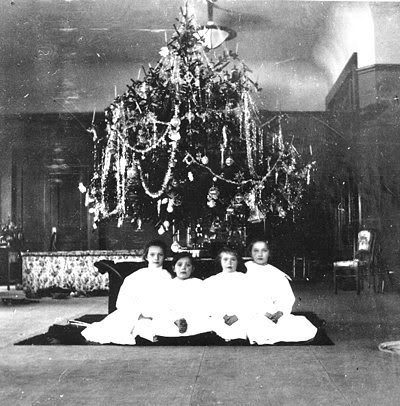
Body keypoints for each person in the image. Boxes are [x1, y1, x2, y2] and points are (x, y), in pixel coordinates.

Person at [81, 239, 171, 345]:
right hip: (136, 312)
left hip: (157, 313)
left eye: (160, 255)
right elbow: (124, 299)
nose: (156, 258)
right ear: (146, 257)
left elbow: (169, 300)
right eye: (152, 254)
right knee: (115, 327)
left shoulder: (168, 277)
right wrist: (138, 314)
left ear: (164, 257)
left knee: (155, 329)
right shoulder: (137, 276)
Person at [244, 239, 317, 345]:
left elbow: (286, 297)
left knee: (302, 325)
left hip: (274, 313)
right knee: (251, 326)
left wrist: (280, 312)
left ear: (269, 253)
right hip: (252, 312)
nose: (260, 254)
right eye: (256, 251)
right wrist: (261, 313)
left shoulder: (276, 273)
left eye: (264, 251)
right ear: (250, 253)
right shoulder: (244, 271)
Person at [135, 252, 213, 342]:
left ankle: (180, 328)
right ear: (174, 268)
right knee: (149, 322)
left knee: (210, 321)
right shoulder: (168, 284)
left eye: (188, 265)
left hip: (192, 316)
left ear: (192, 269)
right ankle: (177, 325)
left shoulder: (198, 283)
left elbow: (204, 303)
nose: (183, 268)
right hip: (172, 317)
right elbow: (162, 305)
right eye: (179, 265)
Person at [204, 247, 249, 342]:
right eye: (225, 259)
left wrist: (237, 316)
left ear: (238, 262)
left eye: (233, 259)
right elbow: (208, 302)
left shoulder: (245, 279)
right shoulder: (212, 281)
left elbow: (249, 301)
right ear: (220, 261)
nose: (229, 263)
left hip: (240, 316)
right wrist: (223, 316)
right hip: (220, 316)